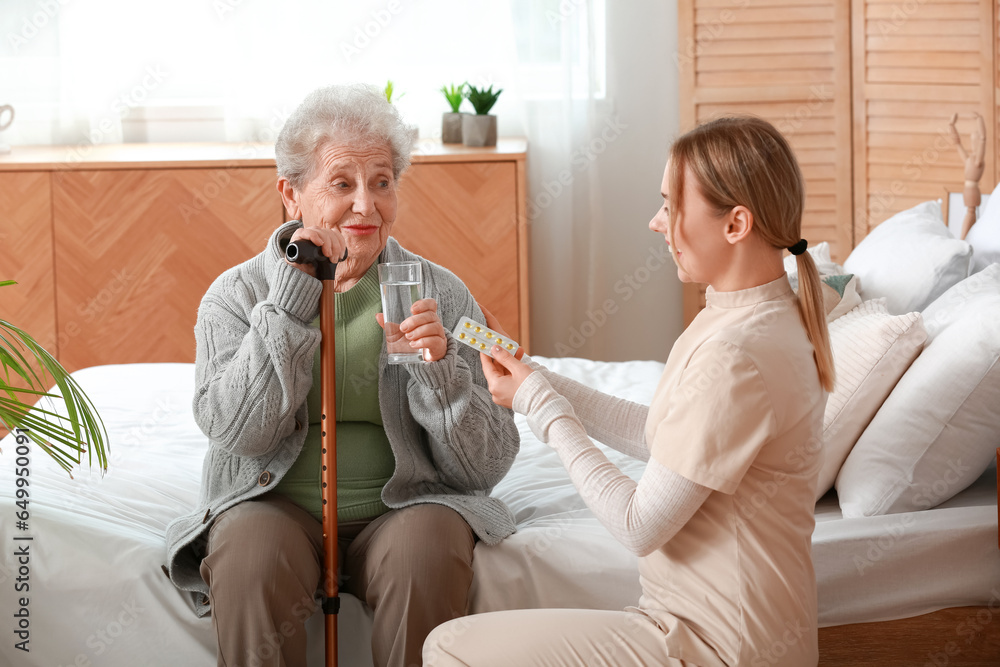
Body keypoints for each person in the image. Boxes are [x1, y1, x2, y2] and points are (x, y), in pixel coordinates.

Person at [423, 116, 835, 667]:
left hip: (717, 646)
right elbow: (665, 438)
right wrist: (538, 376)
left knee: (449, 647)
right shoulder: (747, 316)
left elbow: (638, 525)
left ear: (736, 224)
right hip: (702, 626)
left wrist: (540, 409)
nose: (655, 222)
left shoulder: (738, 354)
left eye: (671, 205)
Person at [164, 83, 520, 667]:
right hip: (269, 503)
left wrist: (441, 376)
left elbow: (485, 467)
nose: (366, 205)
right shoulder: (236, 295)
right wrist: (289, 303)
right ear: (291, 194)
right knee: (249, 558)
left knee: (427, 553)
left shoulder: (440, 294)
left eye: (383, 182)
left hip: (408, 509)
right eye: (341, 184)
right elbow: (236, 434)